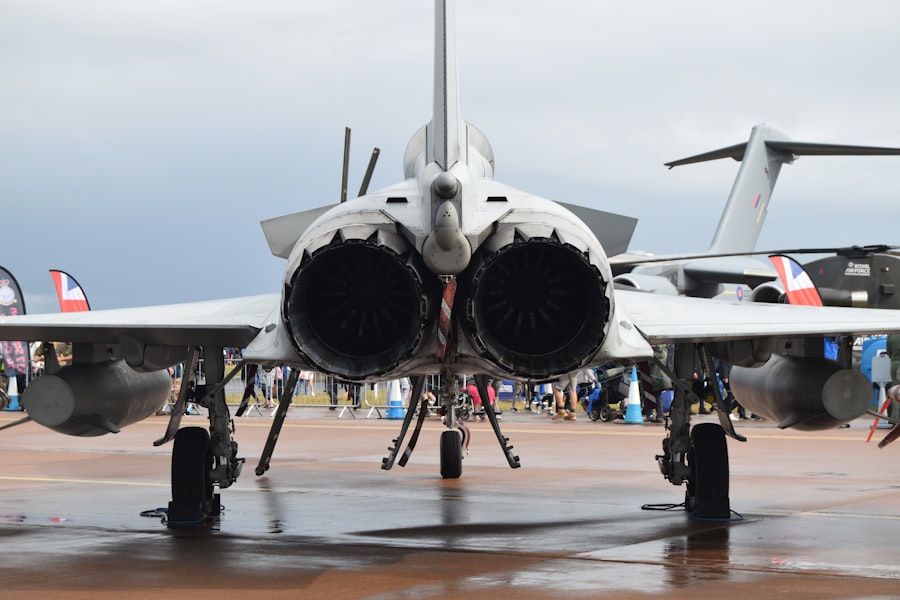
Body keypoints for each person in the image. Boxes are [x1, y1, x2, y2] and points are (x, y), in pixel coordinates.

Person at [887, 334, 900, 421]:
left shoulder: (891, 335)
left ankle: (896, 418)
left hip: (895, 364)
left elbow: (889, 352)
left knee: (896, 391)